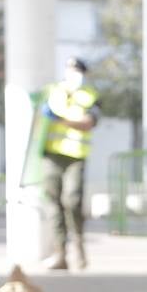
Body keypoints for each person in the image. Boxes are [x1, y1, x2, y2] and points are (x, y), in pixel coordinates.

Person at [40, 57, 99, 271]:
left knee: (72, 201)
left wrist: (59, 120)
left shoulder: (91, 95)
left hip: (75, 156)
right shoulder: (53, 91)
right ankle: (60, 253)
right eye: (70, 69)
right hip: (51, 155)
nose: (73, 74)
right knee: (53, 203)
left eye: (77, 70)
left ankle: (79, 246)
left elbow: (88, 123)